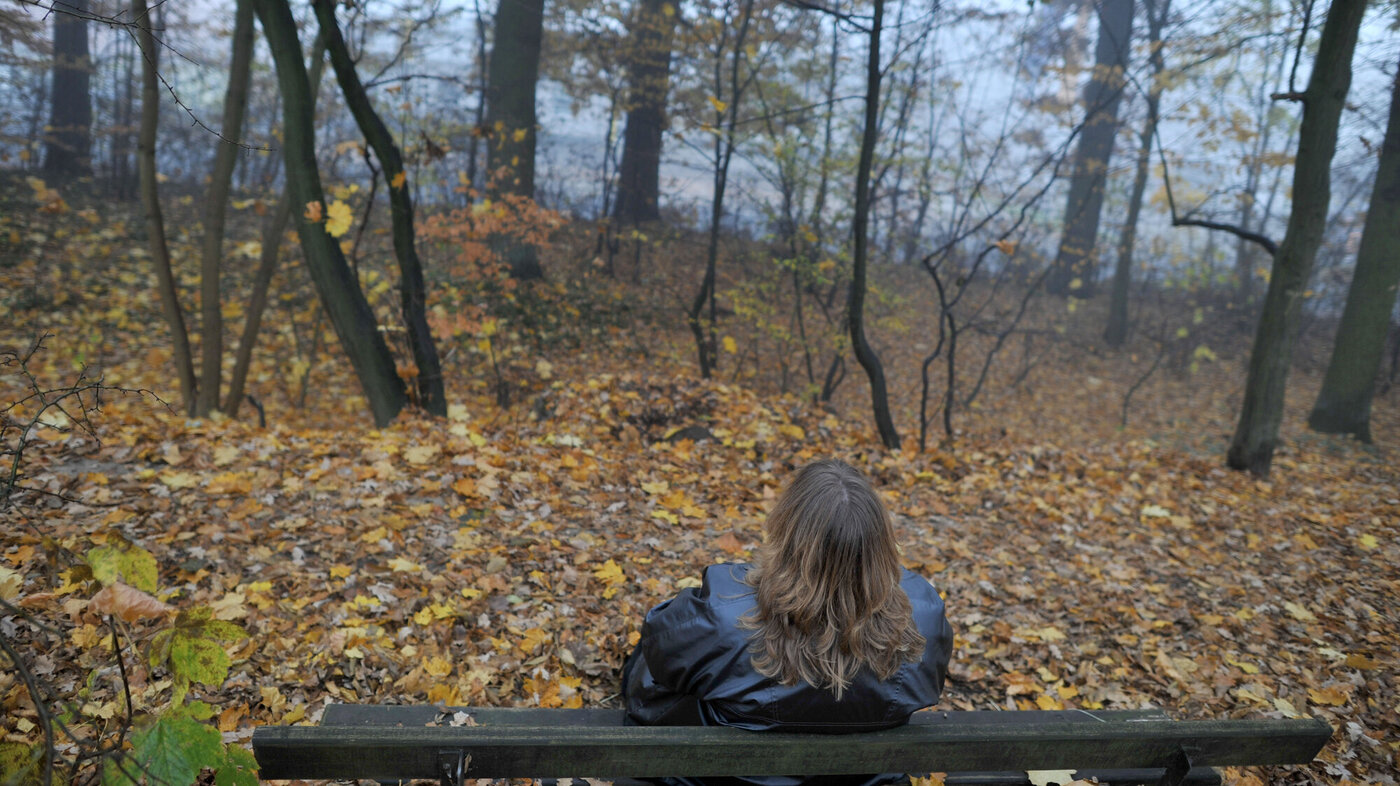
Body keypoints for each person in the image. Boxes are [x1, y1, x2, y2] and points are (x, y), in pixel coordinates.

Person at [622, 459, 955, 786]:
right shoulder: (924, 613)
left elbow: (658, 654)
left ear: (786, 527)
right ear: (881, 540)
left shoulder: (723, 611)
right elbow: (927, 687)